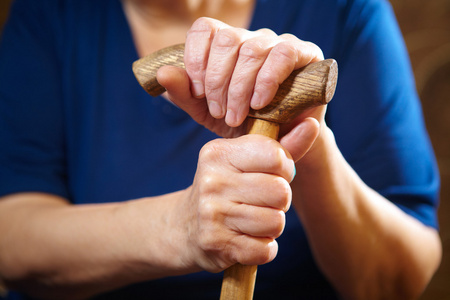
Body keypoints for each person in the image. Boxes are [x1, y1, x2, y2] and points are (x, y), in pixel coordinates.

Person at [0, 0, 442, 299]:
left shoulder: (344, 10)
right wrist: (178, 228)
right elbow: (11, 240)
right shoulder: (48, 15)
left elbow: (399, 278)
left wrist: (306, 147)